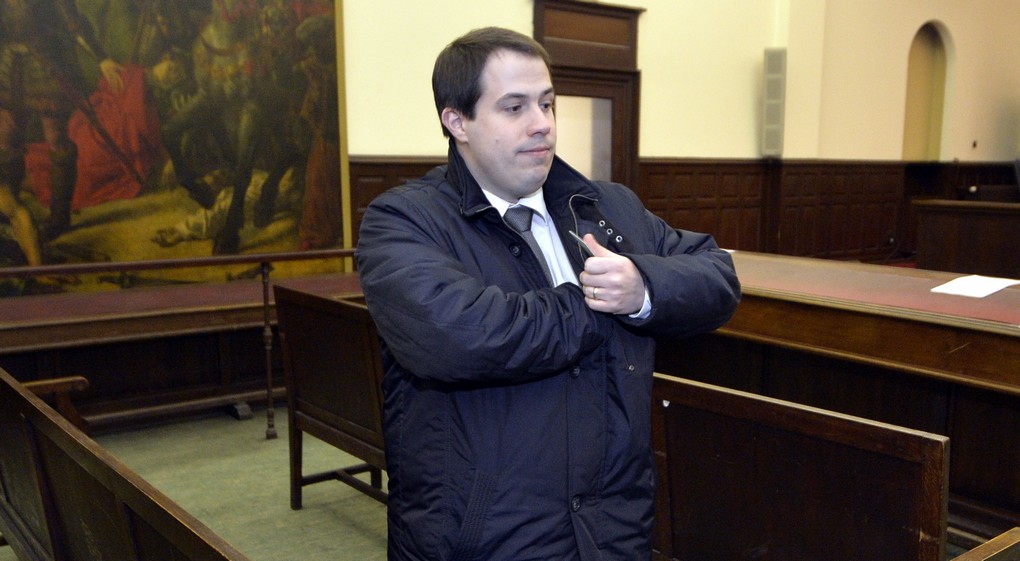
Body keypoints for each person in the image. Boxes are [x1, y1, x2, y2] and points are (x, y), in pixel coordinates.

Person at [355, 27, 741, 561]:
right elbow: (459, 336)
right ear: (456, 120)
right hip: (484, 537)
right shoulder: (403, 220)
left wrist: (646, 287)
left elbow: (718, 276)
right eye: (514, 108)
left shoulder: (607, 206)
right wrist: (606, 302)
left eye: (546, 103)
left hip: (613, 529)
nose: (542, 124)